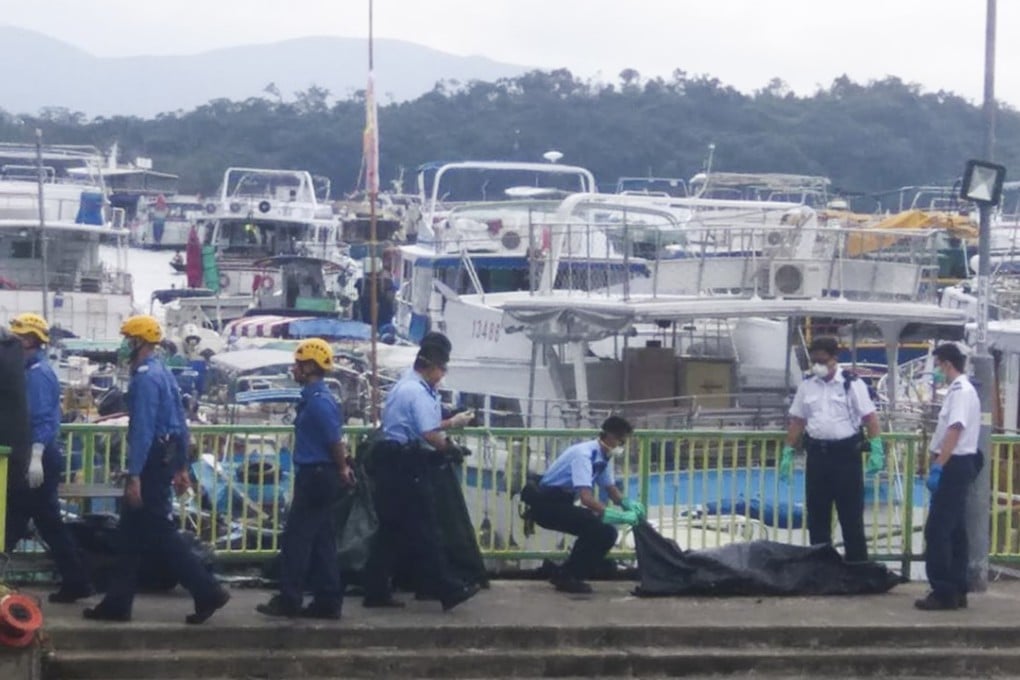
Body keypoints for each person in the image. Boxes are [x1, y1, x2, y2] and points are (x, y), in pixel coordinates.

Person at [83, 315, 229, 624]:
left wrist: (134, 474)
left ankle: (207, 590)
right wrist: (181, 466)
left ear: (139, 342)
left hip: (150, 463)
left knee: (161, 533)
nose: (124, 346)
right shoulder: (163, 373)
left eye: (128, 339)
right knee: (130, 537)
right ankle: (117, 603)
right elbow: (179, 422)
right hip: (163, 458)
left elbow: (143, 430)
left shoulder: (146, 378)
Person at [361, 342, 479, 611]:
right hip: (406, 464)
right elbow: (429, 433)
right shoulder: (418, 391)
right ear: (432, 367)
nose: (443, 375)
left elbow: (424, 425)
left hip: (391, 461)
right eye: (443, 369)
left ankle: (376, 590)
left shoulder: (405, 384)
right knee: (425, 527)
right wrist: (452, 449)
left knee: (390, 531)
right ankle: (446, 588)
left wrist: (451, 423)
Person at [257, 338, 355, 619]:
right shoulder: (317, 398)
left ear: (311, 366)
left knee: (296, 540)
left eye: (299, 365)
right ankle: (328, 599)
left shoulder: (318, 401)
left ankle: (290, 598)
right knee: (322, 540)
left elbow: (334, 441)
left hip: (316, 475)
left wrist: (341, 467)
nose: (294, 369)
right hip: (319, 475)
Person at [5, 313, 93, 603]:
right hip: (36, 458)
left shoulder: (38, 374)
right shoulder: (29, 370)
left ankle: (77, 580)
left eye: (16, 338)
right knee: (48, 523)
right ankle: (77, 580)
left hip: (37, 459)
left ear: (29, 340)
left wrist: (36, 456)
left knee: (13, 520)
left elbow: (43, 420)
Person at [780, 336, 884, 563]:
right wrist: (787, 452)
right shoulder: (807, 386)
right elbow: (798, 421)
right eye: (814, 360)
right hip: (817, 455)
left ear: (834, 359)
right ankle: (821, 567)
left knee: (850, 516)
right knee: (817, 515)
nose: (817, 365)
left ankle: (857, 567)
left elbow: (870, 418)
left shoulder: (851, 384)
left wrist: (877, 448)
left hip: (846, 455)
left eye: (822, 360)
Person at [522, 416, 645, 594]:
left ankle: (568, 570)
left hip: (560, 502)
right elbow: (586, 498)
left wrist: (628, 504)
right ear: (609, 436)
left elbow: (610, 488)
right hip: (547, 505)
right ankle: (568, 576)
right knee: (600, 529)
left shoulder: (603, 456)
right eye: (620, 440)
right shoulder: (584, 455)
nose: (622, 445)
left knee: (604, 531)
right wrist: (614, 515)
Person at [916, 342, 982, 611]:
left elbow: (954, 430)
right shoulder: (960, 391)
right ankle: (957, 587)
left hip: (954, 464)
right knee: (955, 530)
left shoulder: (961, 392)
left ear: (947, 364)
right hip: (956, 463)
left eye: (938, 365)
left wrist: (938, 466)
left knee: (938, 530)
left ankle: (942, 590)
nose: (937, 372)